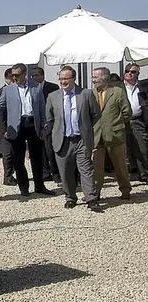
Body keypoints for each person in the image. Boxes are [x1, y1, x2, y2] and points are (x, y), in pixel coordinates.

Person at [44, 66, 102, 210]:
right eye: (61, 79)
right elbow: (49, 118)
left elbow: (95, 114)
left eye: (66, 79)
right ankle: (70, 197)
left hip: (81, 139)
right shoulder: (53, 96)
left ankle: (91, 199)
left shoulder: (86, 94)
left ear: (73, 79)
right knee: (65, 171)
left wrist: (86, 128)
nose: (63, 82)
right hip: (62, 140)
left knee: (86, 169)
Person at [0, 63, 55, 197]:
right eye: (12, 75)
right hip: (18, 125)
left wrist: (44, 126)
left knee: (37, 157)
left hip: (33, 123)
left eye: (16, 75)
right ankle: (24, 188)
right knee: (18, 158)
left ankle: (39, 186)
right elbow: (0, 108)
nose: (14, 77)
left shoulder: (36, 87)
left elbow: (42, 108)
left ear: (24, 74)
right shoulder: (8, 90)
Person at [91, 67, 132, 199]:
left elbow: (127, 112)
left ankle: (125, 190)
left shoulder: (118, 92)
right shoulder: (90, 94)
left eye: (95, 77)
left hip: (115, 135)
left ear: (104, 78)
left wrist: (117, 124)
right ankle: (95, 193)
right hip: (97, 136)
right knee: (96, 168)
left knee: (120, 166)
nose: (93, 80)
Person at [31, 67, 61, 184]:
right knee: (40, 149)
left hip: (50, 122)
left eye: (37, 75)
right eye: (33, 76)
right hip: (36, 123)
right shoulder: (31, 89)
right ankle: (45, 172)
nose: (35, 78)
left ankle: (56, 173)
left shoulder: (52, 87)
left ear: (42, 75)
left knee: (50, 149)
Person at [122, 63, 148, 183]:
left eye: (132, 72)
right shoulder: (118, 87)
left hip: (138, 120)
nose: (129, 73)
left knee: (142, 148)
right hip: (122, 121)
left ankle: (144, 174)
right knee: (125, 150)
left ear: (138, 73)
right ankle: (127, 174)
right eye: (127, 71)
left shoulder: (143, 87)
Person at [0, 68, 16, 186]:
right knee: (7, 153)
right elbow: (0, 112)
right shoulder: (2, 91)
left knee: (12, 152)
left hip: (13, 127)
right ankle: (7, 177)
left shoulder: (12, 90)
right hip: (5, 128)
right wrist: (3, 130)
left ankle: (10, 174)